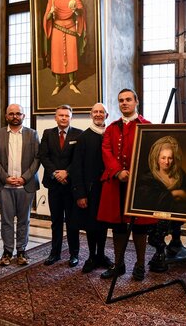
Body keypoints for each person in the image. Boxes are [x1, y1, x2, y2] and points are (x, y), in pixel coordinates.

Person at [97, 88, 156, 281]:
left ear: (136, 101)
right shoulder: (112, 128)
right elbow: (106, 151)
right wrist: (118, 172)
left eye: (128, 99)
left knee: (140, 226)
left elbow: (151, 154)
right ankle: (119, 264)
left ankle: (140, 266)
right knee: (118, 226)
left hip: (139, 185)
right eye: (121, 100)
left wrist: (134, 174)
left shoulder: (147, 126)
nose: (124, 103)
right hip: (116, 183)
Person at [135, 135, 186, 272]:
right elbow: (148, 198)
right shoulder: (149, 177)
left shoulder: (179, 175)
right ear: (157, 159)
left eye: (170, 158)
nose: (167, 162)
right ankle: (159, 252)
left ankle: (175, 243)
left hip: (175, 214)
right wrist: (175, 194)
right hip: (156, 218)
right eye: (163, 158)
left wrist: (184, 194)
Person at [0, 104, 40, 266]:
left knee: (23, 220)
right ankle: (7, 251)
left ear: (23, 116)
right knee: (6, 220)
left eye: (18, 113)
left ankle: (21, 251)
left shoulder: (32, 134)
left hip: (25, 186)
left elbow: (37, 159)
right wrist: (5, 177)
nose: (15, 116)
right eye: (11, 114)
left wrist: (24, 178)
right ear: (6, 116)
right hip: (5, 186)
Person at [70, 103, 113, 273]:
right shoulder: (83, 137)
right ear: (90, 114)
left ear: (106, 115)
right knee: (91, 224)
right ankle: (92, 256)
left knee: (103, 224)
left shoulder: (110, 135)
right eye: (95, 111)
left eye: (101, 112)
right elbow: (77, 167)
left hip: (107, 189)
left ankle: (102, 255)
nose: (98, 114)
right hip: (90, 190)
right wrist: (80, 193)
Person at [39, 104, 82, 267]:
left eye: (66, 115)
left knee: (72, 221)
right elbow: (44, 156)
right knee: (56, 221)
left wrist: (67, 173)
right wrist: (56, 173)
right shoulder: (47, 134)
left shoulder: (79, 134)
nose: (63, 118)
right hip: (54, 184)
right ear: (55, 117)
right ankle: (54, 253)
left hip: (71, 185)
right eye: (61, 115)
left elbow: (78, 158)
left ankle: (74, 254)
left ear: (71, 117)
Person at [43, 0, 86, 96]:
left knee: (71, 56)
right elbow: (46, 18)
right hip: (57, 29)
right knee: (57, 56)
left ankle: (72, 82)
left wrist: (75, 10)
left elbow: (80, 12)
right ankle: (58, 84)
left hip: (71, 28)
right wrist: (51, 13)